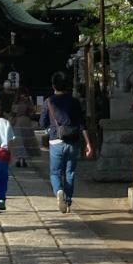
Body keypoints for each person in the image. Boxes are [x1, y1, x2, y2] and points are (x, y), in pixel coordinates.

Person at [40, 73, 93, 214]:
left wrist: (51, 128)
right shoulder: (74, 101)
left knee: (55, 172)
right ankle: (68, 202)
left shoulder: (48, 102)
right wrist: (88, 143)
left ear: (53, 85)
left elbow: (42, 122)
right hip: (73, 141)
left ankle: (59, 191)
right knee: (70, 172)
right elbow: (82, 124)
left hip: (55, 140)